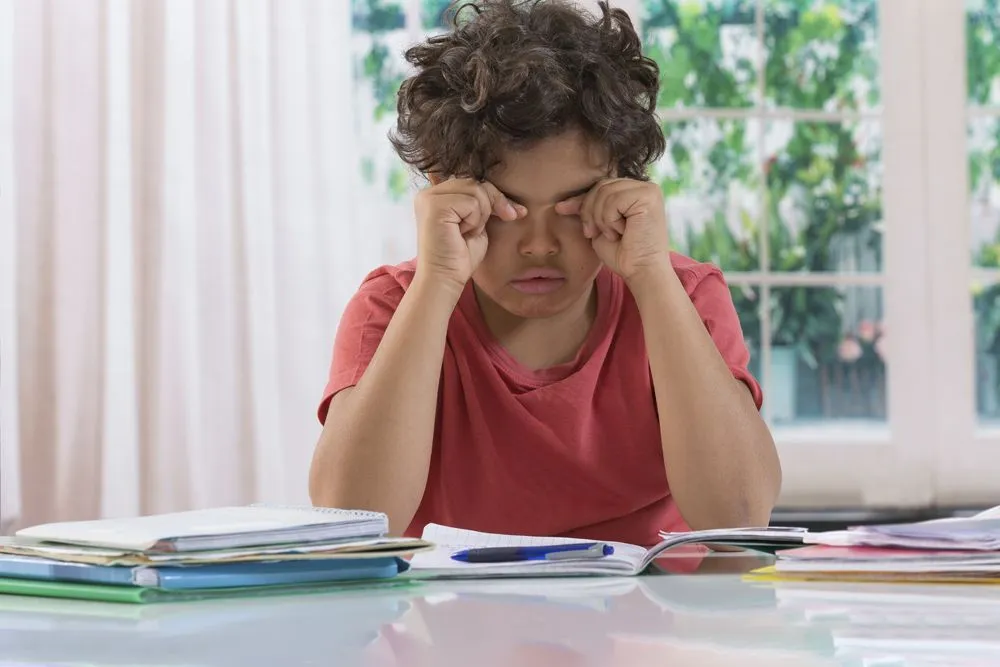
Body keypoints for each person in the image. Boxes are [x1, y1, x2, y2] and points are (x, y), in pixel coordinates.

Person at [309, 0, 781, 547]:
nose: (538, 246)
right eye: (506, 208)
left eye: (573, 204)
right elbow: (352, 520)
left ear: (621, 184)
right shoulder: (392, 307)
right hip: (451, 623)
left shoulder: (684, 296)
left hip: (656, 620)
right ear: (443, 190)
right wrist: (437, 282)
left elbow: (742, 516)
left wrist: (651, 275)